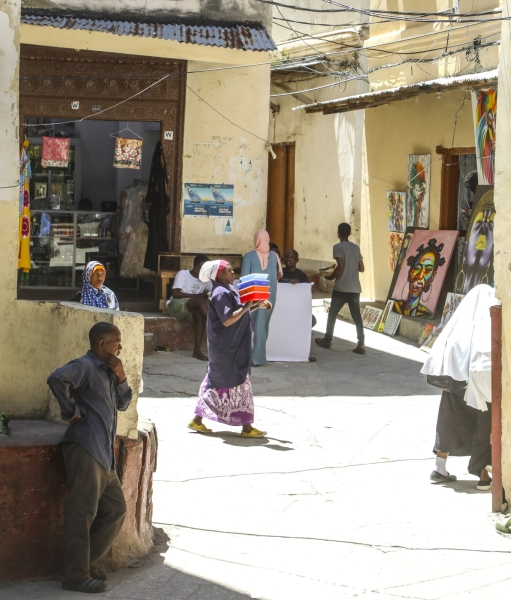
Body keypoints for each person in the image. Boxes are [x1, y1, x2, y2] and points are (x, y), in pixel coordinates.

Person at [47, 323, 132, 593]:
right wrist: (71, 410)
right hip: (85, 447)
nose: (119, 347)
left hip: (103, 452)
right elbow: (57, 378)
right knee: (81, 514)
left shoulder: (109, 369)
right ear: (100, 343)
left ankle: (88, 563)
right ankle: (75, 576)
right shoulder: (84, 365)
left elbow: (123, 403)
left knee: (116, 509)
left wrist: (121, 377)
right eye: (115, 342)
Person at [421, 285, 497, 490]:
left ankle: (440, 466)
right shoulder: (485, 324)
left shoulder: (458, 323)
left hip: (452, 382)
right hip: (474, 381)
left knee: (448, 417)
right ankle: (482, 475)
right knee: (484, 421)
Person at [188, 260, 269, 438]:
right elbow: (228, 319)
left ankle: (197, 420)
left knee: (216, 384)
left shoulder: (229, 290)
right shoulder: (220, 293)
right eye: (229, 271)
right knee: (239, 383)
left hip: (231, 346)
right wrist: (248, 306)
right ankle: (247, 428)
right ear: (219, 275)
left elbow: (239, 312)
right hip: (227, 349)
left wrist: (256, 305)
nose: (233, 273)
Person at [315, 223, 366, 355]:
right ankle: (361, 343)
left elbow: (341, 266)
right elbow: (361, 268)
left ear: (338, 233)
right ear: (350, 234)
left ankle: (327, 339)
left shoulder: (337, 247)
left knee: (332, 314)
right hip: (355, 287)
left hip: (341, 287)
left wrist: (331, 276)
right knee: (356, 316)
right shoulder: (356, 248)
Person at [241, 230, 283, 366]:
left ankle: (256, 358)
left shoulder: (249, 257)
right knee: (263, 325)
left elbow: (244, 277)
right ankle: (258, 354)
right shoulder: (275, 256)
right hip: (271, 295)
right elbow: (278, 275)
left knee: (255, 325)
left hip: (254, 295)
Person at [167, 254, 212, 361]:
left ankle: (196, 351)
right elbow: (175, 293)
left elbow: (214, 291)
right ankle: (213, 324)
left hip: (189, 311)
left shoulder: (206, 281)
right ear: (196, 267)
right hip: (175, 307)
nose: (204, 273)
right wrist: (198, 296)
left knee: (200, 315)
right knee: (200, 301)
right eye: (202, 269)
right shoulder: (183, 274)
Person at [393, 238, 445, 318]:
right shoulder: (393, 306)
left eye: (428, 269)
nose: (420, 276)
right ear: (410, 272)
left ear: (432, 276)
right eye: (417, 267)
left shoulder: (426, 315)